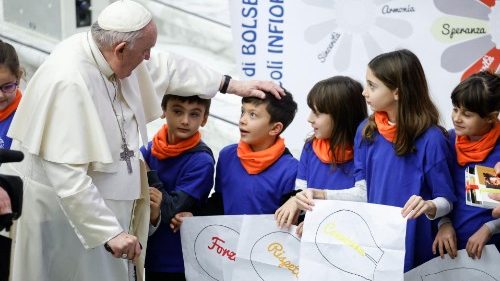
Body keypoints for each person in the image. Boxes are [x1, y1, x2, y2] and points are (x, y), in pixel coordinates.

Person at [0, 1, 284, 281]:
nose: (148, 58)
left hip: (105, 212)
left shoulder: (110, 52)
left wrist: (230, 85)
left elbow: (169, 66)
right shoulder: (68, 80)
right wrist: (108, 232)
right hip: (65, 217)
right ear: (121, 50)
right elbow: (67, 172)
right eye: (144, 51)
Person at [293, 49, 456, 271]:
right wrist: (319, 194)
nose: (364, 92)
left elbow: (446, 200)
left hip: (415, 247)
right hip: (373, 244)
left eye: (372, 85)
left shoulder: (433, 139)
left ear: (397, 92)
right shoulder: (366, 131)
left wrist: (429, 206)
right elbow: (362, 193)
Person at [170, 90, 298, 229]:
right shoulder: (227, 155)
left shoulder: (292, 170)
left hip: (264, 248)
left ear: (275, 128)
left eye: (253, 115)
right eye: (243, 111)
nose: (242, 120)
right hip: (225, 247)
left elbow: (290, 223)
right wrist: (195, 217)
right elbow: (220, 202)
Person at [274, 76, 367, 231]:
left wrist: (320, 203)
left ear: (341, 116)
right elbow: (301, 191)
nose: (309, 119)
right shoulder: (310, 147)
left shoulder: (365, 151)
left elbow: (364, 197)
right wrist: (295, 201)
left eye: (317, 113)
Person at [141, 94, 215, 281]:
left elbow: (171, 211)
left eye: (194, 114)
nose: (185, 120)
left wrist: (149, 174)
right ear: (163, 111)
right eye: (177, 111)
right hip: (146, 254)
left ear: (204, 119)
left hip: (179, 261)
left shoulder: (201, 160)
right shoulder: (148, 149)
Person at [432, 71, 500, 260]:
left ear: (491, 117)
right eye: (455, 109)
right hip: (451, 252)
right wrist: (443, 223)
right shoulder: (446, 140)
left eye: (467, 114)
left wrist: (490, 228)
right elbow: (438, 189)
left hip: (492, 253)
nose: (457, 118)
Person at [0, 39, 23, 281]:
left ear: (20, 76)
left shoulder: (27, 114)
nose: (0, 95)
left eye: (8, 87)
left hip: (14, 227)